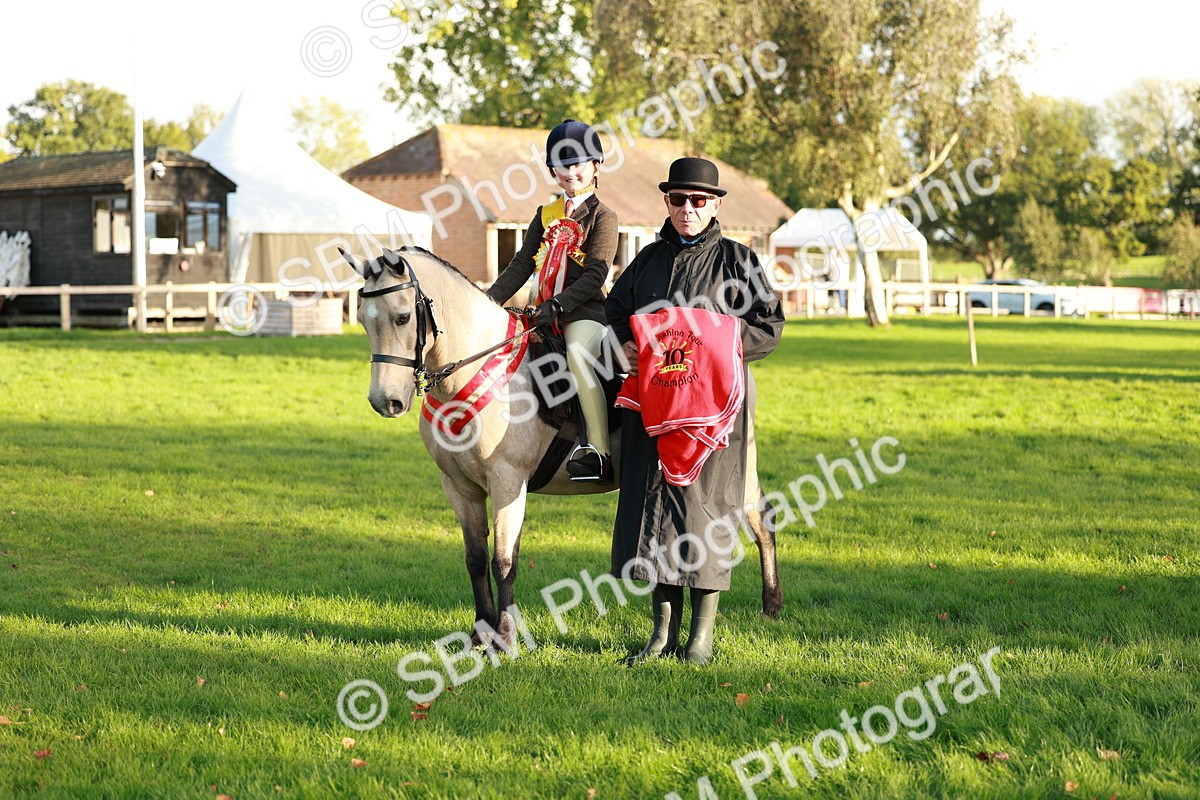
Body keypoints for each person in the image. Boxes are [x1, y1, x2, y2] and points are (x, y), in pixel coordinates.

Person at [606, 157, 784, 664]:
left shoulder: (738, 262)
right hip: (653, 406)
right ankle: (661, 635)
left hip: (712, 414)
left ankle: (701, 638)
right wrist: (624, 344)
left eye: (698, 200)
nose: (688, 209)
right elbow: (616, 313)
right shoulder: (646, 261)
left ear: (715, 205)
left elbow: (768, 324)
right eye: (678, 199)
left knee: (704, 515)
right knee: (653, 511)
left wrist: (718, 345)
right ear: (666, 202)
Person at [485, 120, 619, 483]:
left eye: (579, 163)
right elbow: (520, 265)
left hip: (584, 312)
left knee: (577, 358)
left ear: (595, 166)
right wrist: (487, 302)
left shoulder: (603, 217)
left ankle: (598, 452)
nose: (571, 171)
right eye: (563, 163)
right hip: (539, 311)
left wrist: (558, 306)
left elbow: (596, 275)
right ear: (552, 170)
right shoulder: (545, 215)